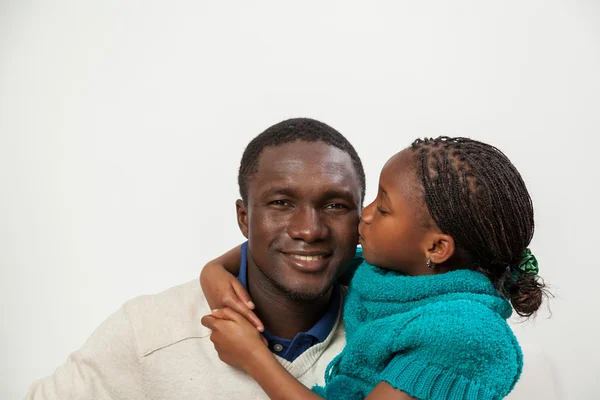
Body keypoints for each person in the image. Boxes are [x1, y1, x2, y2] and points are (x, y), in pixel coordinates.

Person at [25, 118, 366, 399]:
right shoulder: (149, 331)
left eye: (335, 205)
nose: (310, 230)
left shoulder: (389, 336)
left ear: (362, 222)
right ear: (244, 218)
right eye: (281, 203)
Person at [200, 136, 547, 399]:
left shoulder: (464, 334)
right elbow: (290, 251)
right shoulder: (396, 277)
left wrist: (253, 357)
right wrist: (213, 271)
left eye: (383, 208)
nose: (364, 213)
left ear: (436, 247)